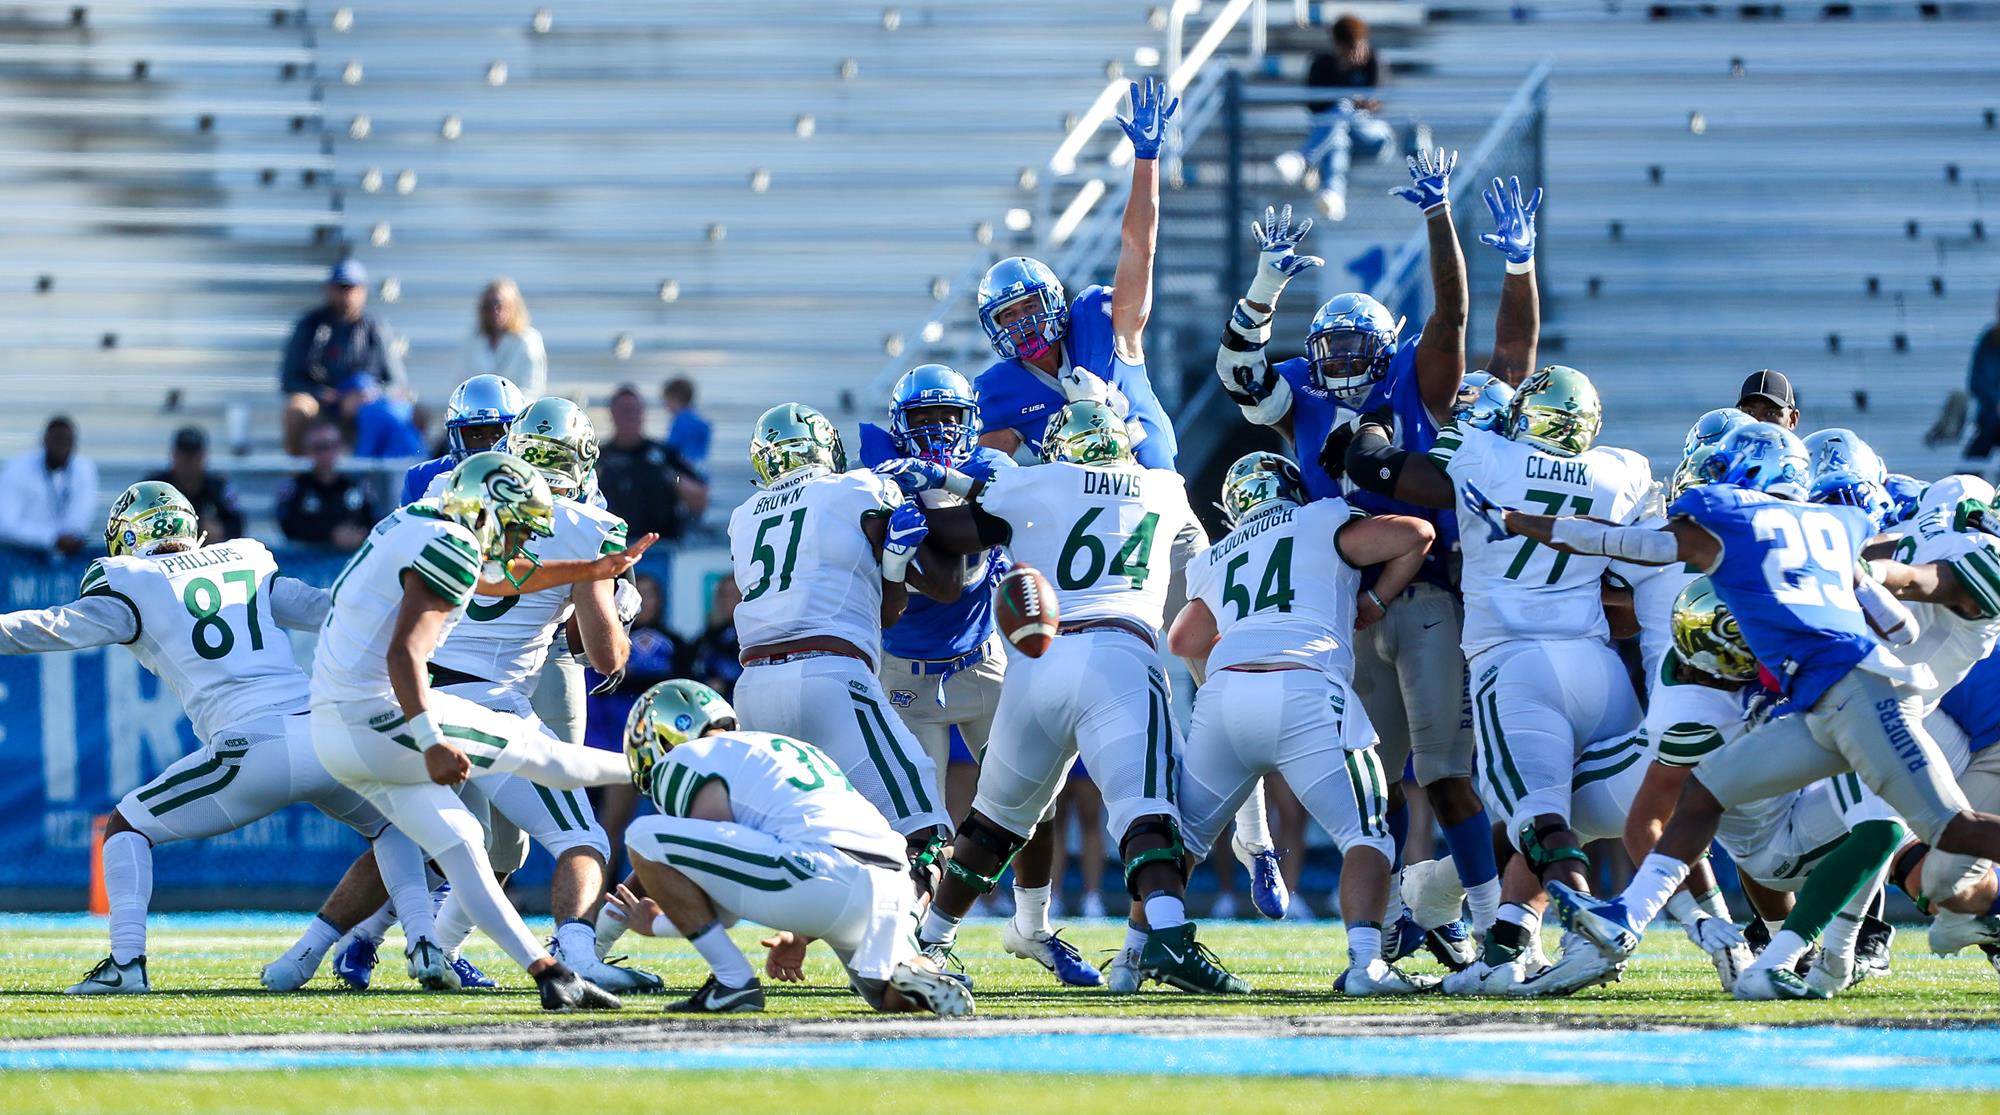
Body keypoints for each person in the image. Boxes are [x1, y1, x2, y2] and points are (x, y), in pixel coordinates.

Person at [1488, 423, 2000, 998]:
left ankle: (1824, 945)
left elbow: (1628, 543)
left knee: (1952, 829)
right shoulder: (1833, 525)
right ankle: (1626, 917)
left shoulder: (1737, 519)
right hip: (1823, 704)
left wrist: (1518, 521)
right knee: (1708, 790)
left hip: (1864, 696)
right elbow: (1899, 622)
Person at [973, 77, 1284, 912]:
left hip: (1163, 502)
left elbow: (1138, 250)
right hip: (1097, 543)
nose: (1030, 329)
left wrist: (1145, 160)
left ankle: (1254, 840)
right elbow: (986, 479)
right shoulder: (1000, 392)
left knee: (1218, 657)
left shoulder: (1099, 326)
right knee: (1137, 692)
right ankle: (1138, 870)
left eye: (1033, 309)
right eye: (1012, 321)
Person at [1219, 169, 1524, 962]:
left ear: (1385, 351)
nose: (1341, 364)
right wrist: (1264, 290)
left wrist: (1438, 216)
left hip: (1422, 593)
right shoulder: (1304, 390)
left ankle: (1489, 922)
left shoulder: (1414, 378)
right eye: (1330, 351)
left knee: (1447, 773)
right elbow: (1240, 374)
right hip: (1343, 603)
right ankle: (1395, 917)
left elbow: (1454, 315)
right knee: (1371, 779)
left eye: (1357, 349)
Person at [0, 482, 431, 995]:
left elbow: (49, 627)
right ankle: (426, 945)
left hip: (249, 748)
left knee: (126, 827)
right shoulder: (245, 558)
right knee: (393, 826)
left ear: (125, 538)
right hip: (326, 732)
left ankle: (126, 963)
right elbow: (329, 611)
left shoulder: (132, 579)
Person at [886, 399, 1250, 996]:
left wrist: (925, 482)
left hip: (1037, 659)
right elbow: (1199, 579)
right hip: (1119, 654)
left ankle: (928, 942)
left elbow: (960, 528)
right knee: (1146, 809)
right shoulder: (1163, 486)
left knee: (993, 820)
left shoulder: (1036, 481)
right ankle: (1168, 936)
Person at [1343, 365, 1654, 995]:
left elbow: (1380, 467)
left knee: (1536, 817)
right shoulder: (1624, 470)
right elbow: (1636, 566)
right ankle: (1509, 939)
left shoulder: (1485, 452)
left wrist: (1370, 426)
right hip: (1598, 662)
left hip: (1515, 664)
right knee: (1626, 806)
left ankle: (1588, 929)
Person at [306, 451, 652, 1010]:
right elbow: (406, 651)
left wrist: (590, 571)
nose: (521, 541)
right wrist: (429, 738)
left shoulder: (415, 520)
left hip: (340, 719)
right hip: (420, 708)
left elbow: (500, 581)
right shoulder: (459, 542)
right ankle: (658, 767)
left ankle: (312, 955)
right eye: (517, 527)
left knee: (460, 847)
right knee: (560, 788)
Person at [859, 364, 1097, 987]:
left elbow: (972, 550)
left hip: (983, 659)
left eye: (949, 417)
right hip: (903, 671)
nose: (937, 430)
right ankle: (917, 943)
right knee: (915, 827)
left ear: (971, 423)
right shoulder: (879, 479)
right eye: (924, 419)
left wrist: (936, 481)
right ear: (898, 425)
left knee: (1035, 793)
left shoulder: (992, 471)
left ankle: (1033, 926)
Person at [1167, 451, 1438, 994]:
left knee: (1182, 844)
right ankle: (1366, 963)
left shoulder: (1219, 553)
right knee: (1366, 836)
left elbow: (1184, 640)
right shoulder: (1321, 518)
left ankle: (1133, 955)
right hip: (1306, 684)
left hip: (1225, 694)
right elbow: (1416, 533)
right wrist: (1377, 601)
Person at [612, 680, 973, 1016]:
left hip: (816, 870)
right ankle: (919, 971)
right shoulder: (786, 749)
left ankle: (733, 982)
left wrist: (658, 924)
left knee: (643, 834)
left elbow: (717, 894)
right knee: (889, 996)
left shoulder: (688, 757)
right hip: (891, 882)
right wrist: (800, 930)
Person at [725, 403, 955, 853]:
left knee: (802, 840)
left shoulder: (743, 516)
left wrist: (888, 572)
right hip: (830, 678)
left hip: (753, 689)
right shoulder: (859, 488)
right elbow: (940, 587)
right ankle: (912, 921)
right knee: (921, 830)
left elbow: (877, 608)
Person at [1274, 14, 1396, 221]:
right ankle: (1332, 195)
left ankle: (1304, 160)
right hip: (1337, 135)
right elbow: (1314, 106)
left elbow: (1376, 103)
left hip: (1374, 137)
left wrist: (1351, 102)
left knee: (1342, 109)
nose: (1355, 53)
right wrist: (1342, 72)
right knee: (1338, 137)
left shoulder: (1374, 60)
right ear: (1338, 46)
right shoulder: (1322, 63)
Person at [280, 259, 406, 455]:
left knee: (415, 413)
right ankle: (299, 477)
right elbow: (289, 379)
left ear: (362, 291)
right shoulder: (310, 325)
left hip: (364, 408)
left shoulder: (375, 328)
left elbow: (396, 382)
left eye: (351, 288)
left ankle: (394, 477)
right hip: (322, 406)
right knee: (297, 407)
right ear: (329, 289)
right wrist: (323, 394)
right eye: (340, 288)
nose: (345, 294)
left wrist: (366, 396)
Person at [597, 385, 709, 542]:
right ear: (611, 414)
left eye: (633, 410)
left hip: (659, 550)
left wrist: (670, 478)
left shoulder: (664, 455)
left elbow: (700, 499)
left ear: (643, 413)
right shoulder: (599, 458)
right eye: (623, 410)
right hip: (611, 550)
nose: (629, 416)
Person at [399, 375, 527, 506]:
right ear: (456, 437)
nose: (491, 445)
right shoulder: (422, 477)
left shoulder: (533, 475)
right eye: (477, 436)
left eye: (499, 434)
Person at [0, 415, 97, 560]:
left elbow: (81, 515)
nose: (62, 447)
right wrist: (51, 538)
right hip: (20, 557)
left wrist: (68, 538)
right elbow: (6, 525)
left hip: (64, 559)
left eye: (67, 442)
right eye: (57, 441)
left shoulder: (84, 469)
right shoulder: (17, 470)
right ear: (44, 441)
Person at [276, 422, 380, 551]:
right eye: (319, 448)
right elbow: (287, 526)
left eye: (332, 446)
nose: (326, 454)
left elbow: (377, 521)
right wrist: (330, 534)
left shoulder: (358, 484)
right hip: (310, 559)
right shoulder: (296, 487)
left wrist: (362, 535)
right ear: (306, 451)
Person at [146, 427, 243, 545]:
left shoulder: (218, 486)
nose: (189, 464)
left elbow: (237, 523)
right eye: (185, 457)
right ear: (174, 455)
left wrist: (220, 530)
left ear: (203, 456)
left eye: (194, 457)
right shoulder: (155, 486)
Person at [461, 279, 547, 401]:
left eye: (499, 304)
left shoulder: (527, 340)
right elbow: (463, 383)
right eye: (487, 306)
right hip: (479, 414)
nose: (494, 311)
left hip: (516, 413)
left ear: (513, 306)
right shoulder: (474, 341)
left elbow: (532, 387)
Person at [1966, 295, 2000, 459]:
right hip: (1991, 415)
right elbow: (1976, 382)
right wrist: (1997, 402)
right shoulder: (1990, 340)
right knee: (1990, 425)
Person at [662, 376, 712, 470]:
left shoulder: (680, 422)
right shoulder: (702, 423)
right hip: (700, 470)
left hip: (683, 471)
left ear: (675, 399)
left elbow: (671, 449)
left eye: (667, 401)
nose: (666, 405)